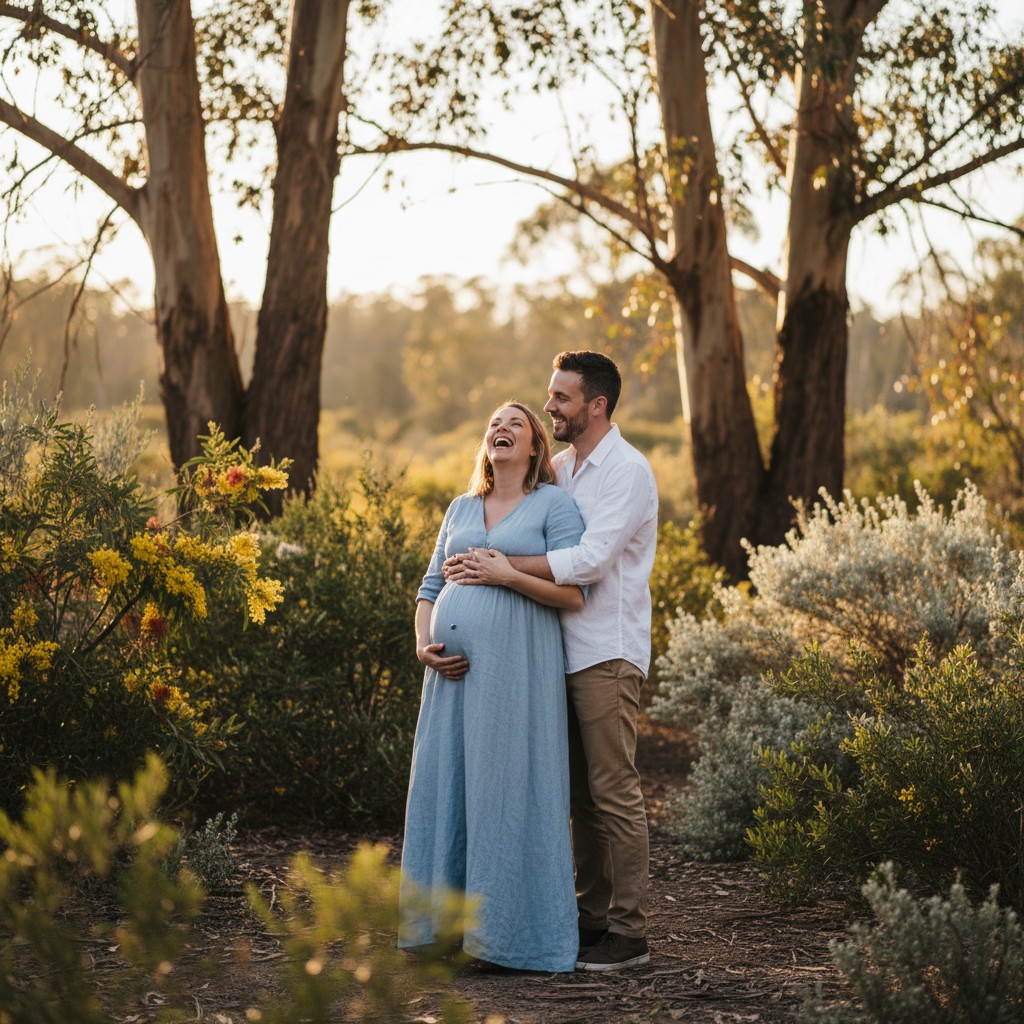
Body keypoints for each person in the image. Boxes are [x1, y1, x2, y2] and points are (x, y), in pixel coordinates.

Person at [451, 351, 658, 971]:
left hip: (605, 651)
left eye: (562, 398)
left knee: (613, 791)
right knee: (576, 795)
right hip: (550, 654)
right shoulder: (561, 470)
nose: (550, 407)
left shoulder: (628, 471)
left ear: (596, 405)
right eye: (550, 395)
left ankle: (630, 930)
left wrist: (501, 567)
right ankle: (591, 918)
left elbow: (590, 561)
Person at [398, 401, 587, 973]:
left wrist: (506, 573)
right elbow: (428, 588)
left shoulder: (554, 505)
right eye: (494, 424)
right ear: (486, 444)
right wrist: (424, 643)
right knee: (447, 788)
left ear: (534, 447)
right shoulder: (459, 507)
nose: (501, 429)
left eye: (517, 424)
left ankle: (506, 938)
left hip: (514, 676)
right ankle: (436, 932)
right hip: (449, 681)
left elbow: (574, 592)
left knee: (503, 793)